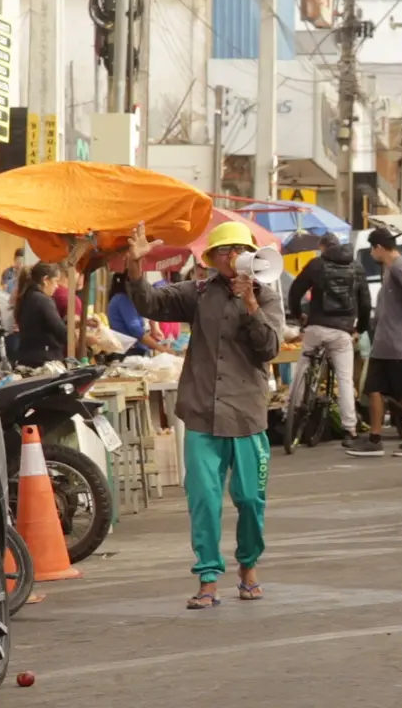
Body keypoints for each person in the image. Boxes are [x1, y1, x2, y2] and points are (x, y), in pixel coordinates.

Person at [123, 221, 281, 610]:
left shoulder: (267, 296)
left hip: (246, 414)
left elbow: (270, 348)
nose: (232, 258)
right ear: (213, 259)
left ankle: (248, 566)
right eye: (224, 252)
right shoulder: (197, 294)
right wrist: (135, 267)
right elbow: (149, 303)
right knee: (204, 499)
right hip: (201, 413)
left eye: (238, 250)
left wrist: (251, 305)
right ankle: (208, 576)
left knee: (249, 498)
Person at [348, 228, 402, 458]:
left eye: (373, 248)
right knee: (373, 389)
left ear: (379, 248)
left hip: (401, 344)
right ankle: (375, 439)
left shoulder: (400, 266)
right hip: (384, 343)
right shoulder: (389, 268)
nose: (372, 253)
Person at [288, 233, 372, 446]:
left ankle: (291, 408)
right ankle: (350, 429)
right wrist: (359, 329)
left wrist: (299, 315)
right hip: (342, 331)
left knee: (303, 364)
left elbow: (295, 291)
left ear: (323, 247)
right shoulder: (357, 267)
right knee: (344, 379)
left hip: (316, 326)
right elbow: (365, 304)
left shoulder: (317, 264)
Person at [107, 273, 176, 357]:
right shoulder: (123, 299)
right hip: (130, 353)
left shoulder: (120, 298)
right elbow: (136, 331)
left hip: (130, 350)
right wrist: (162, 349)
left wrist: (153, 332)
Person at [13, 262, 67, 368]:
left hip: (26, 359)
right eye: (55, 281)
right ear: (45, 280)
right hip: (44, 362)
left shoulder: (26, 297)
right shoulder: (43, 300)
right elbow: (61, 332)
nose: (57, 286)